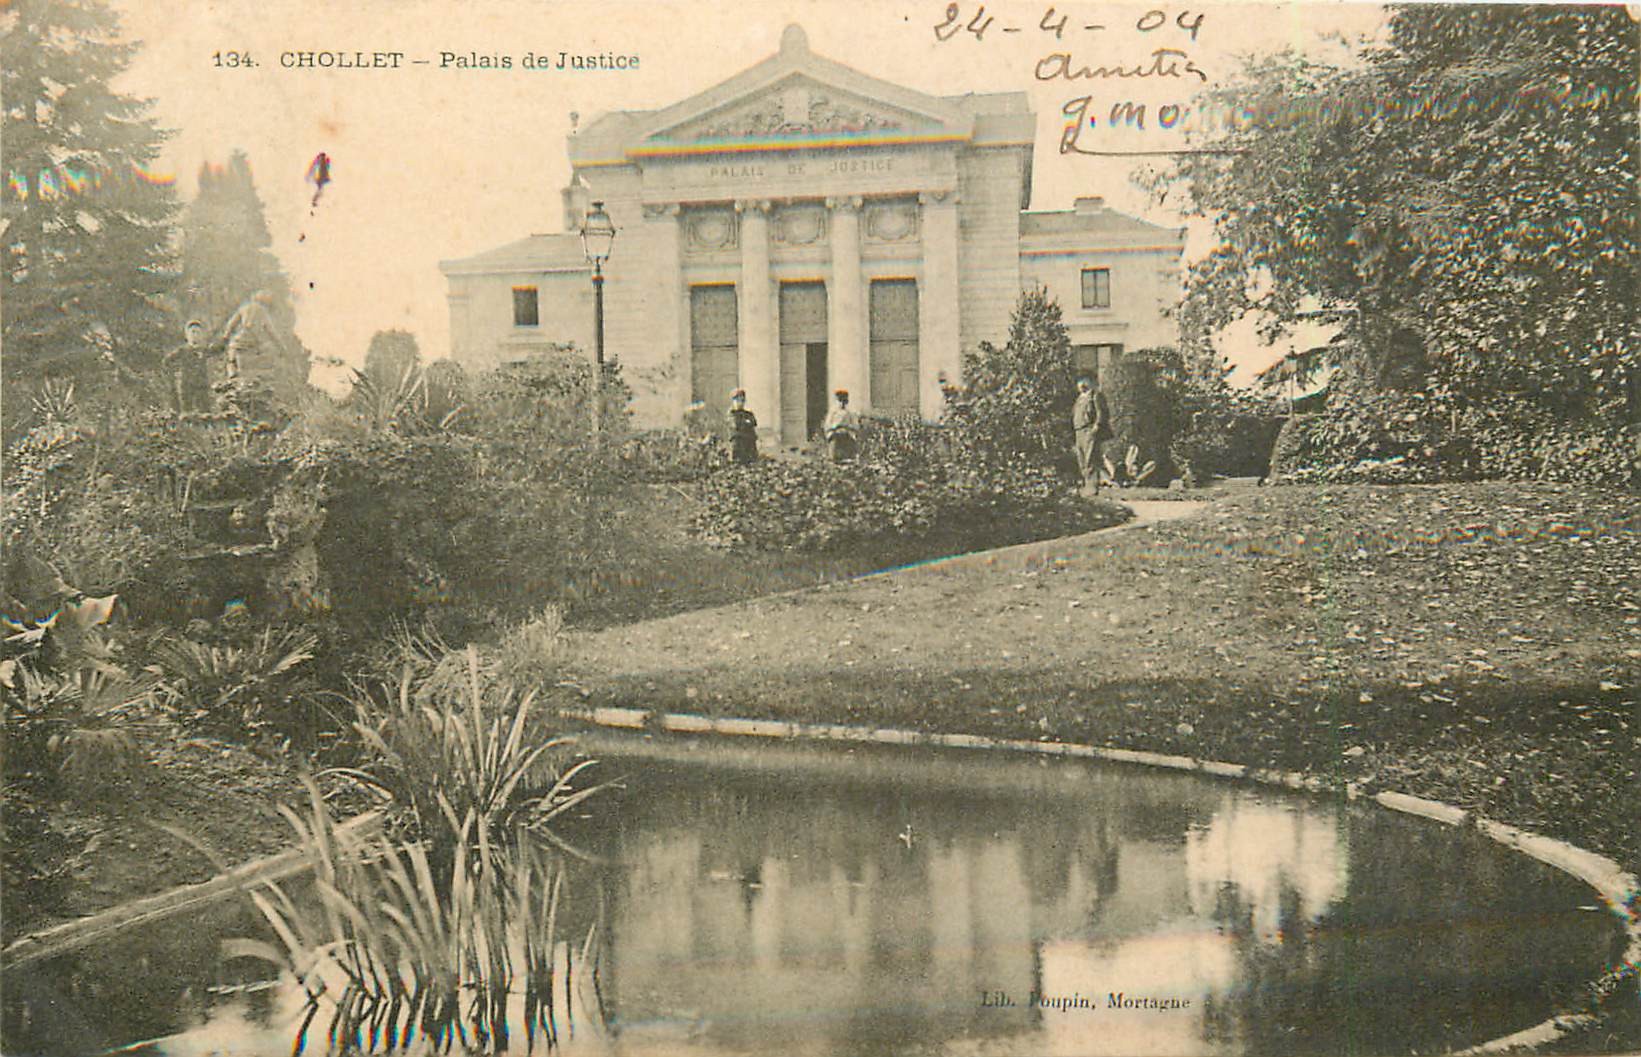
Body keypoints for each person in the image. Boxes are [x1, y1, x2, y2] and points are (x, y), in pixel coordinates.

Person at [1072, 374, 1113, 493]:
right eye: (1079, 382)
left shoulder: (1095, 396)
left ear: (1090, 382)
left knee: (1090, 459)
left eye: (1084, 381)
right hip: (1078, 431)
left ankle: (1092, 487)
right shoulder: (1079, 398)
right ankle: (1087, 485)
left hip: (1088, 431)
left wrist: (1096, 427)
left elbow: (1102, 413)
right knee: (1082, 460)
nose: (1081, 384)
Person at [162, 319, 212, 412]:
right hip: (186, 384)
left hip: (201, 385)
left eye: (198, 333)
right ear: (187, 335)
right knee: (186, 411)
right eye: (192, 332)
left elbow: (217, 351)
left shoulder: (205, 349)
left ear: (202, 335)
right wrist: (176, 373)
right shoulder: (182, 350)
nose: (195, 335)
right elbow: (166, 361)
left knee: (204, 411)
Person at [823, 389, 858, 462]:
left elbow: (855, 425)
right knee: (834, 448)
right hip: (835, 434)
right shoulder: (833, 412)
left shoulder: (850, 412)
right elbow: (827, 424)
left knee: (848, 454)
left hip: (846, 434)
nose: (842, 403)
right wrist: (835, 427)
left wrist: (847, 427)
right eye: (840, 401)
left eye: (844, 401)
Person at [727, 388, 759, 465]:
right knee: (737, 464)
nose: (740, 403)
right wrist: (746, 423)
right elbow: (736, 425)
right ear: (733, 401)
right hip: (738, 444)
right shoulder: (731, 414)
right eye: (737, 401)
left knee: (752, 463)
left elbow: (753, 423)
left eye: (742, 400)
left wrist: (746, 423)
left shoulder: (748, 413)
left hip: (750, 444)